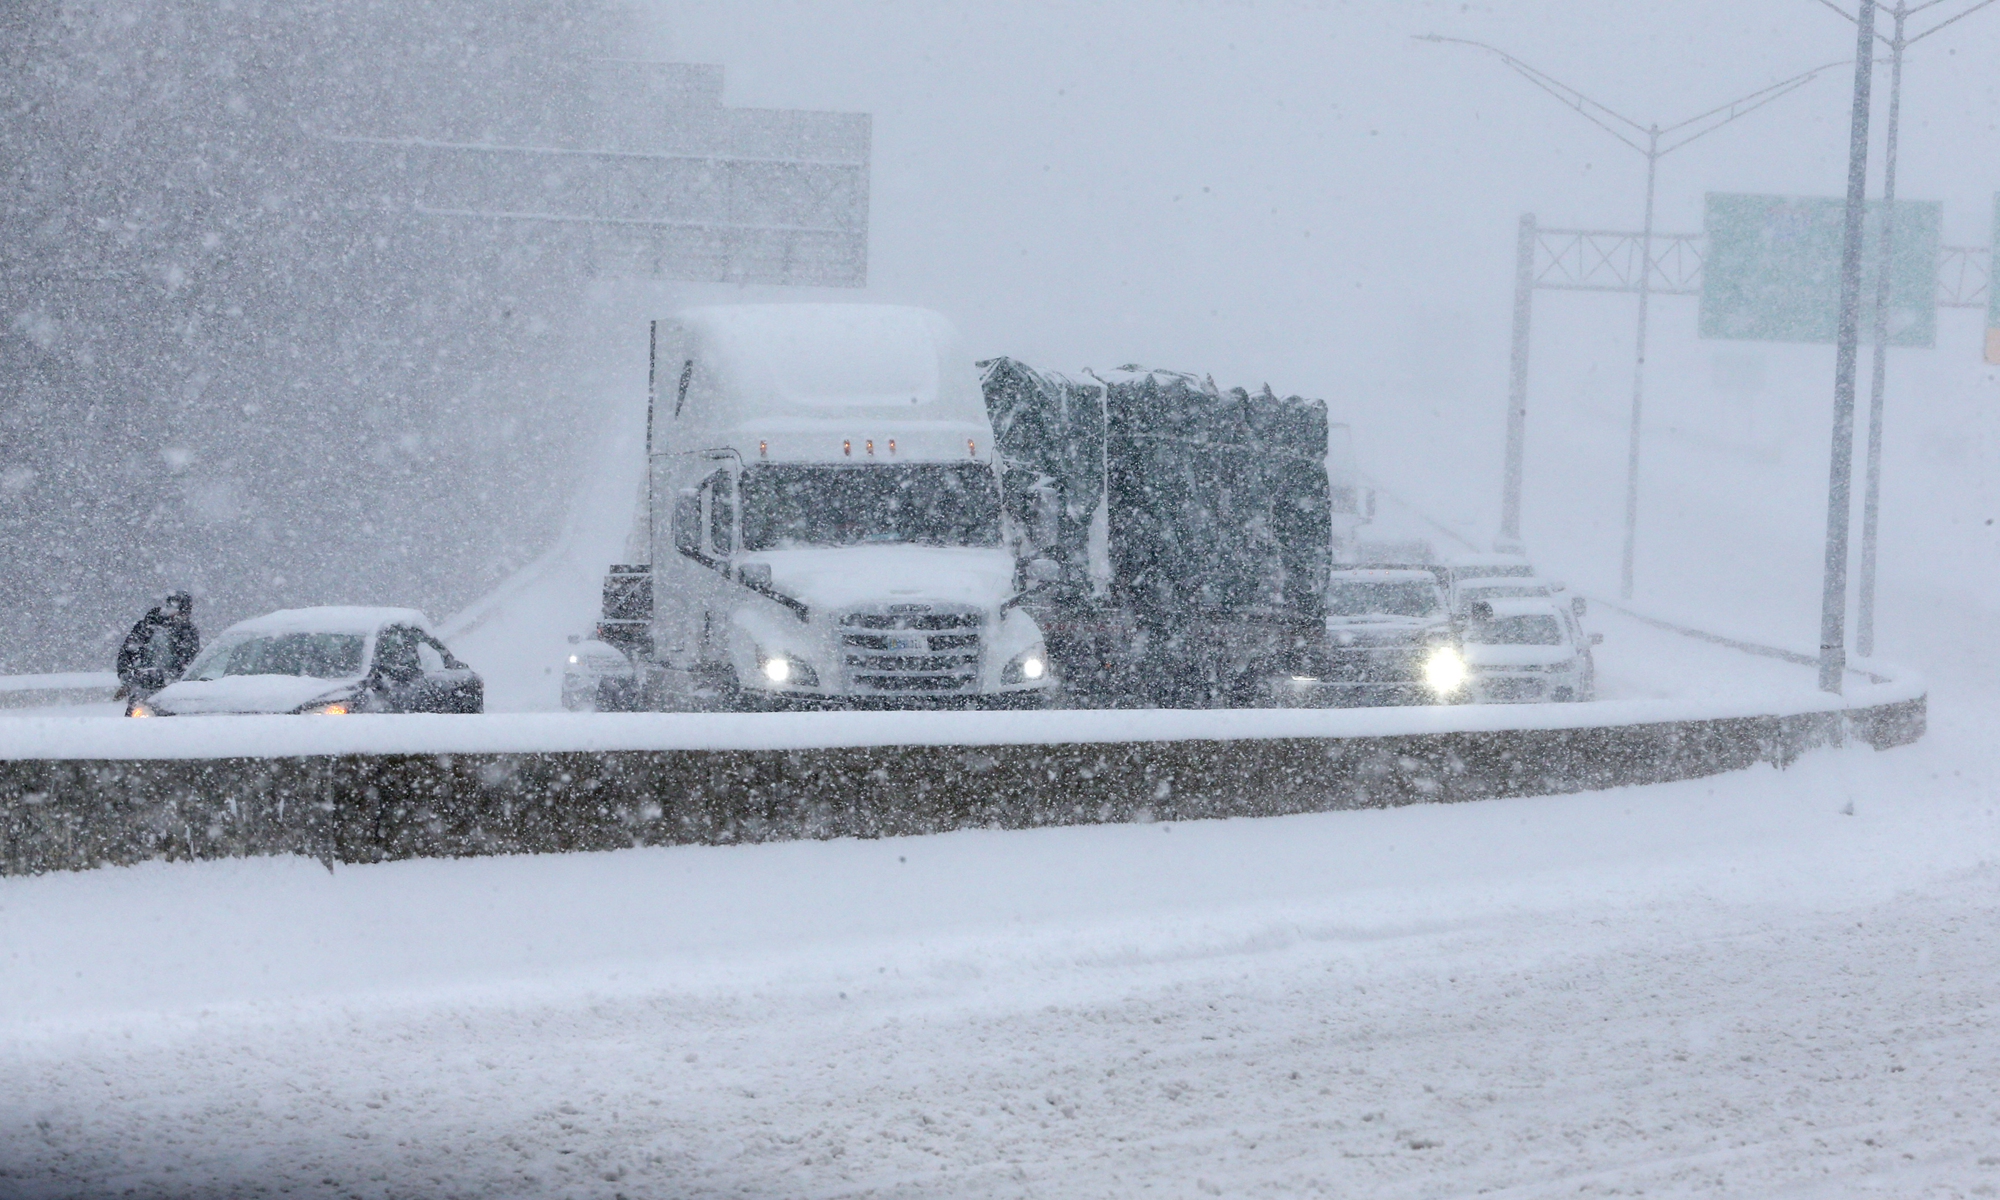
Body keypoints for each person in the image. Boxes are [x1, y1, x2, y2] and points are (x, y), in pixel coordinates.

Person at [116, 590, 202, 699]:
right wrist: (127, 680)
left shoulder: (189, 632)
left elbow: (189, 660)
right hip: (143, 686)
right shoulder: (147, 627)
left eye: (185, 613)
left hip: (173, 689)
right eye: (181, 612)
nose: (182, 617)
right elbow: (127, 653)